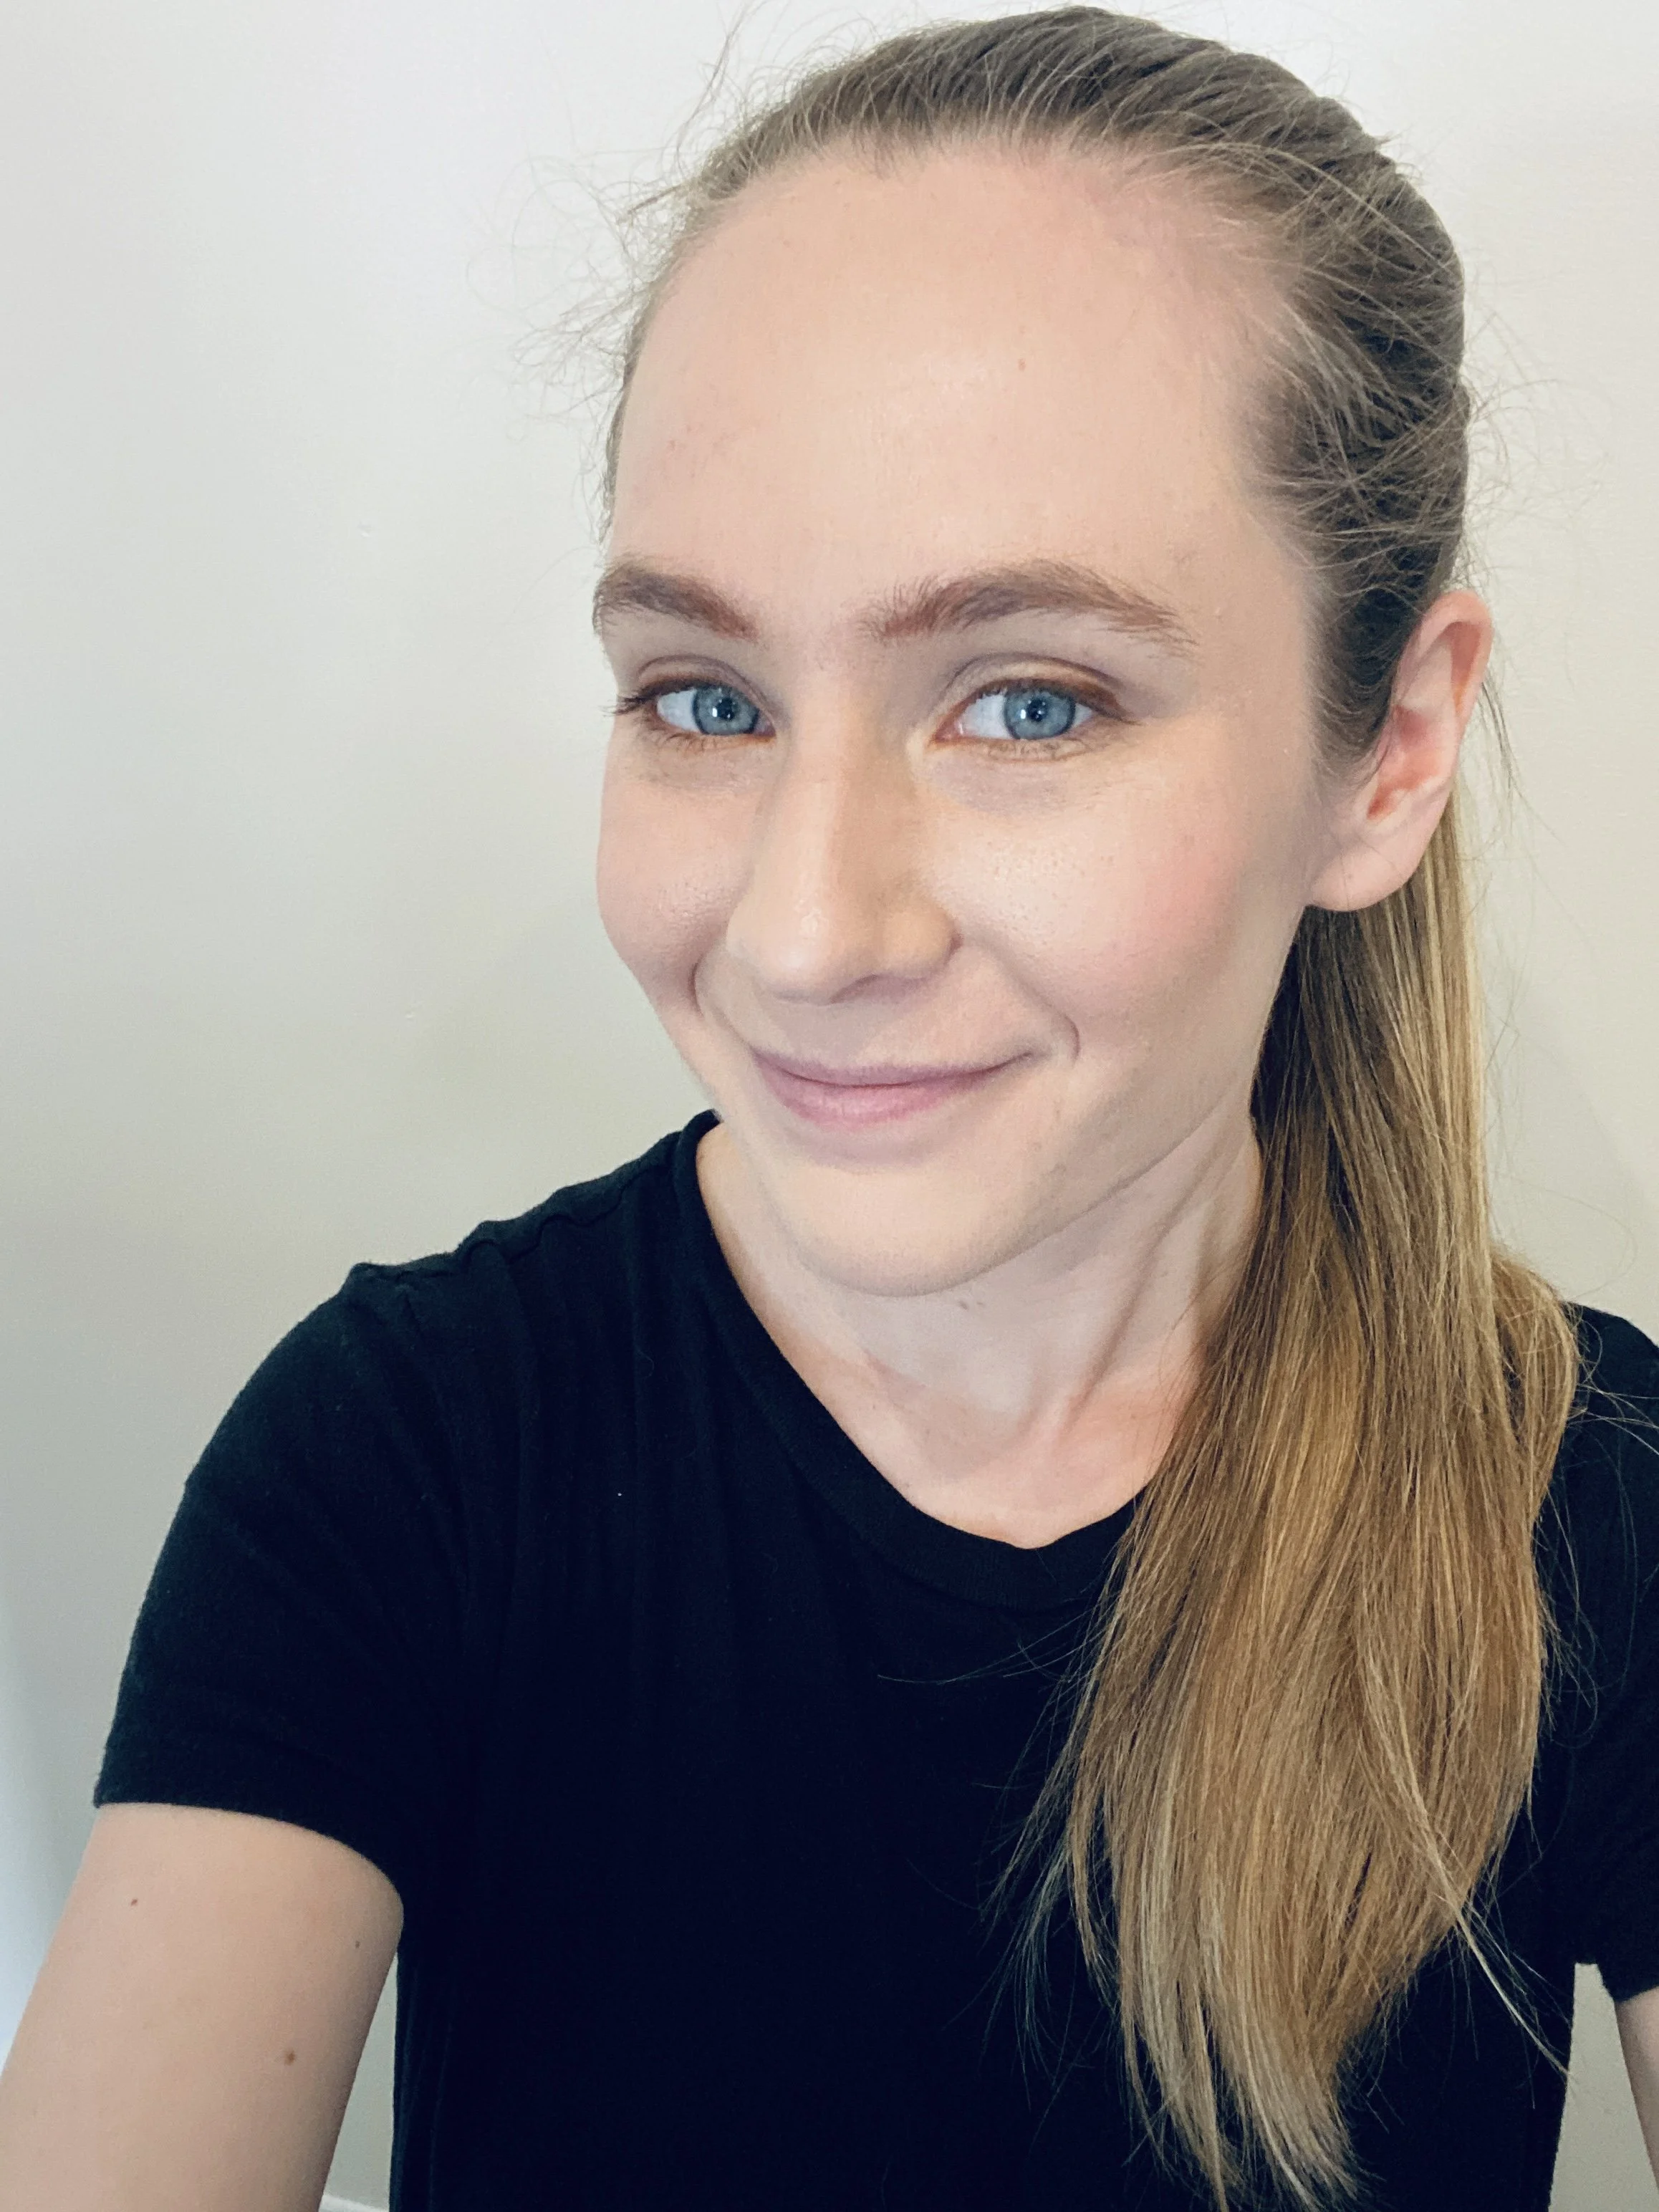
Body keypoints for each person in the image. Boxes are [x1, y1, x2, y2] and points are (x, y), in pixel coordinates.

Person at [0, 8, 1655, 2208]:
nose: (800, 932)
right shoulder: (406, 1464)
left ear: (1387, 755)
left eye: (1028, 701)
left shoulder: (1591, 1523)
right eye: (703, 696)